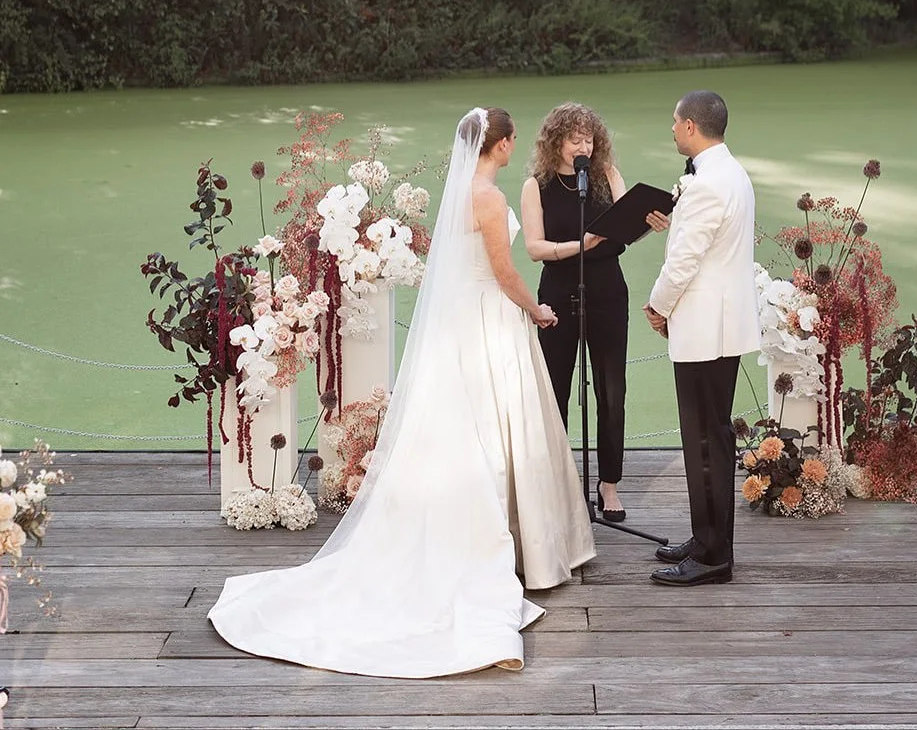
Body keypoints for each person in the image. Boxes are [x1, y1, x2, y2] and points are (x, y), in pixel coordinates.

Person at [208, 107, 595, 677]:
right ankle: (522, 548)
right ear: (503, 144)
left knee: (465, 425)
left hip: (458, 324)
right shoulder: (487, 198)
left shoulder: (458, 191)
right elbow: (504, 272)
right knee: (498, 425)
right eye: (511, 141)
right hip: (490, 319)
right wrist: (536, 310)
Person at [521, 103, 669, 522]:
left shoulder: (606, 175)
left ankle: (609, 484)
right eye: (574, 139)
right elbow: (534, 248)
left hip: (606, 288)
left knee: (611, 388)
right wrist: (579, 246)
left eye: (588, 138)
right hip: (558, 288)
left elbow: (625, 225)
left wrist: (648, 223)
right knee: (555, 390)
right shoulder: (538, 185)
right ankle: (555, 482)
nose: (583, 146)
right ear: (556, 142)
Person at [642, 90, 760, 587]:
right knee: (709, 436)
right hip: (720, 325)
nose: (671, 129)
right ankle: (705, 535)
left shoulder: (707, 184)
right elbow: (707, 243)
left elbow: (686, 261)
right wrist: (675, 225)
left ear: (692, 127)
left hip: (704, 328)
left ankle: (714, 555)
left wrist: (656, 305)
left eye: (674, 122)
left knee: (706, 441)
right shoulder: (730, 172)